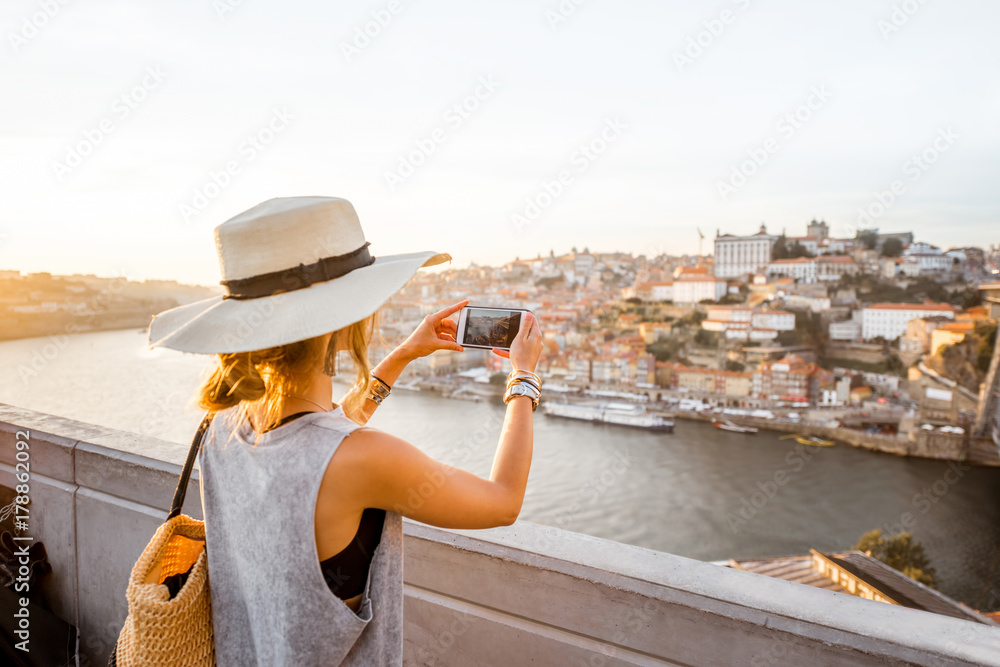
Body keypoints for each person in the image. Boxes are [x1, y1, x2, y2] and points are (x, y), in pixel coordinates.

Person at [147, 196, 544, 666]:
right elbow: (502, 501)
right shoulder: (364, 459)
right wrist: (523, 378)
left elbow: (317, 444)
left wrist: (400, 358)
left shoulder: (221, 426)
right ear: (344, 322)